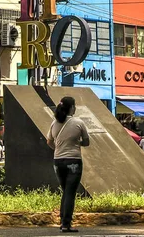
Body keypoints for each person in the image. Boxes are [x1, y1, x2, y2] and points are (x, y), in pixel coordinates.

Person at [47, 96, 90, 233]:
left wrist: (59, 149)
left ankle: (62, 222)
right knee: (70, 192)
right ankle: (66, 224)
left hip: (58, 161)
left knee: (66, 191)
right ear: (71, 107)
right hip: (73, 161)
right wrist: (76, 143)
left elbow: (49, 141)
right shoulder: (78, 122)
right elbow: (87, 142)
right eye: (75, 105)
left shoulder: (54, 123)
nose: (75, 108)